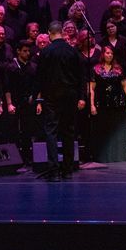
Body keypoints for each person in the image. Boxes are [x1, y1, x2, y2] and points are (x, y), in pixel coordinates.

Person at [35, 21, 87, 180]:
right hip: (70, 95)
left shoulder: (46, 52)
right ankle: (68, 169)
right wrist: (81, 97)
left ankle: (53, 170)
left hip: (52, 96)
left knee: (51, 131)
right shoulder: (73, 51)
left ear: (49, 33)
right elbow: (81, 76)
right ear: (62, 32)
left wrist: (37, 96)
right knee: (68, 131)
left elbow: (40, 77)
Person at [89, 45, 126, 163]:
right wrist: (92, 105)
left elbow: (125, 86)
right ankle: (103, 156)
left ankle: (118, 155)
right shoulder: (96, 69)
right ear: (103, 54)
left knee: (118, 130)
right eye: (107, 53)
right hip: (101, 103)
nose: (110, 55)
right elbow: (91, 88)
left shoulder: (118, 69)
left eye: (111, 53)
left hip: (118, 103)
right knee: (103, 130)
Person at [6, 40, 38, 166]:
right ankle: (15, 158)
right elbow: (7, 87)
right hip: (15, 101)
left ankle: (27, 157)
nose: (27, 53)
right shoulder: (11, 67)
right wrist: (9, 103)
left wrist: (35, 98)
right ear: (18, 51)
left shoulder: (33, 66)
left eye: (29, 51)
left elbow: (37, 85)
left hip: (29, 102)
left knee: (28, 130)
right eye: (24, 51)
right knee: (14, 130)